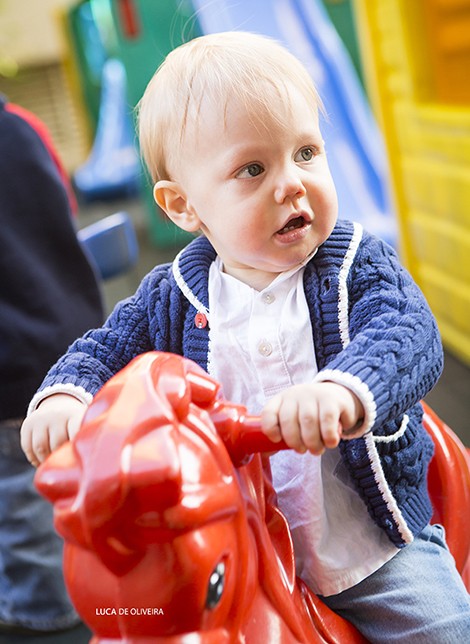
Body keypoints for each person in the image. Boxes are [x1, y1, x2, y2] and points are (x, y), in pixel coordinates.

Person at [21, 32, 470, 642]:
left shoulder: (355, 265)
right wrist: (65, 395)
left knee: (442, 628)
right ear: (183, 206)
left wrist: (343, 390)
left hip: (365, 547)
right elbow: (104, 347)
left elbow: (406, 331)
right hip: (234, 539)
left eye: (307, 153)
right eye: (252, 169)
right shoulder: (174, 292)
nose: (291, 183)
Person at [0, 95, 104, 633]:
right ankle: (97, 581)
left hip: (12, 365)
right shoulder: (24, 124)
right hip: (73, 346)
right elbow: (63, 208)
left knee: (21, 496)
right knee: (73, 481)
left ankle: (46, 608)